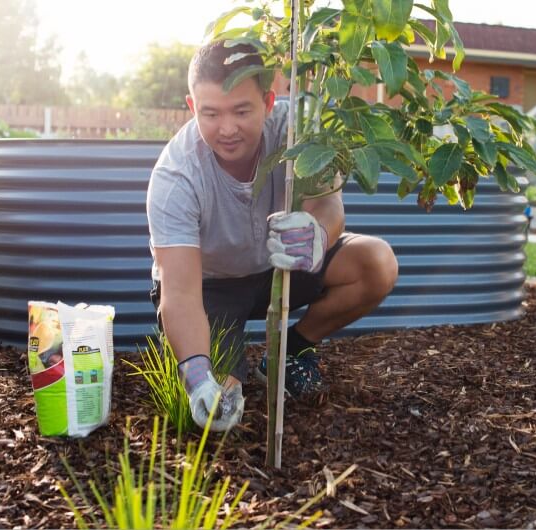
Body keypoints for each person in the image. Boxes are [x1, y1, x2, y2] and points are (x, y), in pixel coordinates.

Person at [146, 40, 399, 433]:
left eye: (242, 111)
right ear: (192, 107)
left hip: (282, 264)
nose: (227, 129)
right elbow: (178, 292)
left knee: (376, 263)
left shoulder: (299, 133)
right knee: (222, 409)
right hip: (210, 289)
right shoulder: (175, 177)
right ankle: (216, 372)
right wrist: (197, 377)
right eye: (210, 113)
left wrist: (317, 233)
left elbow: (329, 207)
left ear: (268, 101)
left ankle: (289, 353)